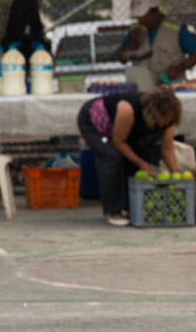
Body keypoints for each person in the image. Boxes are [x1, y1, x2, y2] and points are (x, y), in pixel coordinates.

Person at [76, 88, 182, 227]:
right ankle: (114, 211)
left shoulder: (168, 119)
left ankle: (130, 207)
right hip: (95, 121)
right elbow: (119, 142)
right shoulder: (128, 109)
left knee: (143, 153)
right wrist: (141, 163)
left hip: (122, 131)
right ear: (155, 114)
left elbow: (167, 148)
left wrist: (176, 175)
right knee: (111, 156)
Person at [117, 0, 196, 88]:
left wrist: (180, 67)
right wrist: (134, 41)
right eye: (138, 17)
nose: (141, 21)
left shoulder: (176, 29)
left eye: (144, 16)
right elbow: (122, 59)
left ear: (156, 12)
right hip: (143, 87)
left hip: (171, 86)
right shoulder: (135, 30)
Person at [0, 0, 48, 65]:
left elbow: (37, 31)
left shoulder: (33, 20)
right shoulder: (15, 21)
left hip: (33, 53)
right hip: (15, 56)